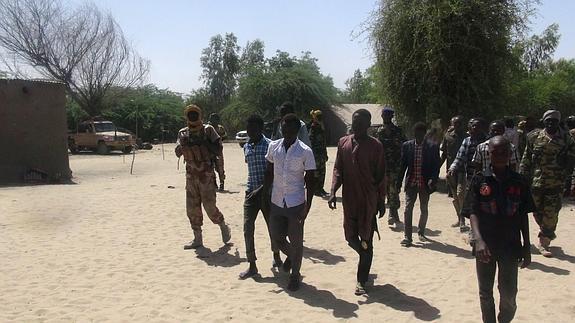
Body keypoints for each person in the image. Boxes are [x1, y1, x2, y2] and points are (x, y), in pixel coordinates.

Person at [461, 136, 532, 323]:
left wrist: (527, 246)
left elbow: (523, 215)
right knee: (485, 292)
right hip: (485, 245)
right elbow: (472, 211)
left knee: (509, 295)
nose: (500, 155)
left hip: (510, 245)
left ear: (510, 154)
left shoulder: (520, 182)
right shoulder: (479, 180)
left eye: (504, 152)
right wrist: (478, 240)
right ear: (488, 154)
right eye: (495, 152)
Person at [328, 109, 386, 295]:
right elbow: (338, 168)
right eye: (355, 122)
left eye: (361, 123)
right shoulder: (343, 142)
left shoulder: (376, 146)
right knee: (350, 237)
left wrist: (381, 201)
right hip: (349, 199)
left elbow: (381, 176)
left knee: (366, 239)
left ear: (368, 125)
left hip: (368, 201)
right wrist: (332, 191)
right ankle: (365, 256)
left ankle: (361, 280)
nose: (357, 126)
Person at [264, 113, 315, 291]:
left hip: (296, 203)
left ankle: (295, 276)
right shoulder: (273, 147)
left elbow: (310, 181)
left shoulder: (305, 151)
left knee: (296, 241)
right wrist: (265, 192)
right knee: (276, 238)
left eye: (290, 128)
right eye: (284, 128)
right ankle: (293, 258)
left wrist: (307, 207)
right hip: (276, 201)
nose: (286, 131)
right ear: (281, 128)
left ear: (296, 130)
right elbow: (269, 172)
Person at [519, 110, 575, 257]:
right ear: (544, 121)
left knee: (551, 212)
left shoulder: (567, 138)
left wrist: (569, 171)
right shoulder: (534, 137)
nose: (551, 123)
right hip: (536, 181)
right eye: (548, 121)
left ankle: (544, 242)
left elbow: (572, 158)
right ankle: (548, 232)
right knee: (536, 211)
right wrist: (522, 177)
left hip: (556, 182)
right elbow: (526, 158)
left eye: (554, 121)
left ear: (558, 122)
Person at [175, 105, 231, 249]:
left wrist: (204, 142)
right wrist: (182, 146)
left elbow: (218, 149)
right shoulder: (183, 133)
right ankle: (197, 239)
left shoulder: (208, 130)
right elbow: (177, 152)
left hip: (206, 176)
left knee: (209, 207)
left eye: (195, 114)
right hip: (191, 176)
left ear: (200, 115)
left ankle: (222, 224)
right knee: (192, 209)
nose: (192, 117)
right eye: (190, 114)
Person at [239, 115, 282, 279]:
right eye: (248, 128)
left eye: (253, 128)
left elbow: (275, 172)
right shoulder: (247, 146)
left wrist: (267, 190)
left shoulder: (270, 146)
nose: (250, 131)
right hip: (250, 192)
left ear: (261, 129)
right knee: (247, 228)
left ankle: (276, 255)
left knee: (272, 227)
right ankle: (252, 264)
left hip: (267, 194)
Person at [398, 122, 441, 246]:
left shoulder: (432, 147)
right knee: (407, 208)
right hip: (411, 182)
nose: (419, 136)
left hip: (424, 183)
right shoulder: (407, 146)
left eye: (421, 133)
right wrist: (398, 182)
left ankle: (421, 232)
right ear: (414, 133)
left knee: (424, 208)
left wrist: (433, 179)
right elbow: (403, 166)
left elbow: (436, 166)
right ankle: (407, 237)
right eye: (417, 133)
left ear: (425, 134)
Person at [376, 106, 406, 225]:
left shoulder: (398, 131)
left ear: (391, 117)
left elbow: (405, 145)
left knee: (393, 188)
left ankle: (392, 212)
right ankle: (393, 212)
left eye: (388, 115)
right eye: (384, 115)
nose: (385, 117)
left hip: (395, 165)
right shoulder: (379, 131)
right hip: (382, 164)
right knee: (386, 188)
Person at [440, 115, 467, 230]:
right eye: (454, 123)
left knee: (461, 193)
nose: (456, 126)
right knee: (455, 196)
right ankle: (460, 218)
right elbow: (444, 154)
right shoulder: (447, 136)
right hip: (451, 170)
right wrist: (437, 167)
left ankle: (463, 219)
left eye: (458, 123)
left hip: (463, 170)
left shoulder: (467, 137)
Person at [308, 109, 329, 197]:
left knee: (322, 171)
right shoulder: (313, 127)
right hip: (316, 153)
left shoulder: (321, 126)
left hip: (321, 153)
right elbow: (311, 141)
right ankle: (316, 190)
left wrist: (325, 153)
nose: (320, 118)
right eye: (319, 117)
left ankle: (321, 188)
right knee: (316, 172)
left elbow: (323, 142)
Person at [208, 113, 227, 191]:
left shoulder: (220, 128)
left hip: (218, 151)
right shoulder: (208, 128)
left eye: (216, 119)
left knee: (220, 168)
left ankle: (222, 183)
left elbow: (225, 136)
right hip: (209, 151)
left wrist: (219, 141)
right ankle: (214, 183)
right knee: (210, 167)